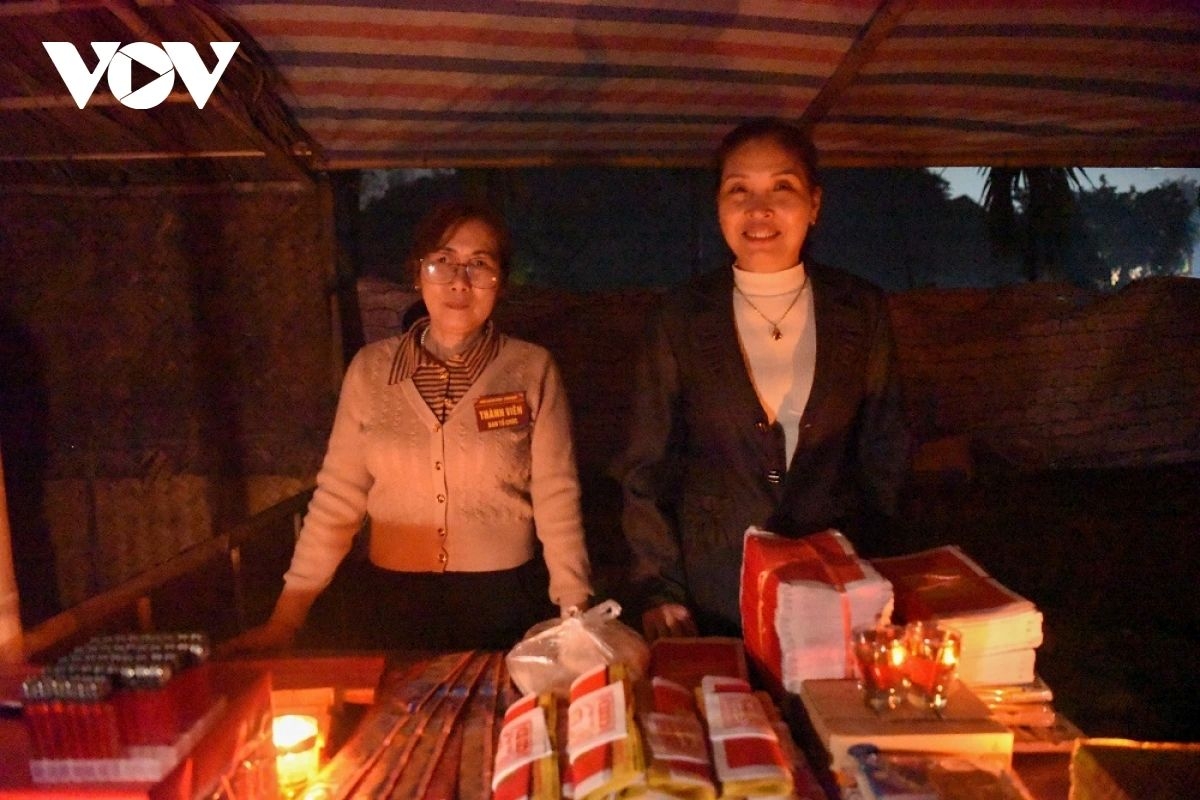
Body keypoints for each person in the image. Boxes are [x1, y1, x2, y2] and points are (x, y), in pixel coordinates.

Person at [224, 200, 592, 653]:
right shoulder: (370, 371)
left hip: (503, 602)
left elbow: (557, 495)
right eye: (443, 262)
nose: (460, 280)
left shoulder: (531, 369)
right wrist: (287, 618)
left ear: (501, 281)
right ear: (417, 274)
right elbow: (337, 499)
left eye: (479, 264)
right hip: (394, 604)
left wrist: (574, 613)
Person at [615, 118, 910, 641]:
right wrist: (660, 588)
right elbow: (647, 465)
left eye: (782, 187)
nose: (759, 209)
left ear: (814, 204)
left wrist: (875, 566)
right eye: (739, 191)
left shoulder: (859, 310)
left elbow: (883, 451)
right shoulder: (679, 317)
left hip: (834, 587)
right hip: (714, 591)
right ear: (719, 206)